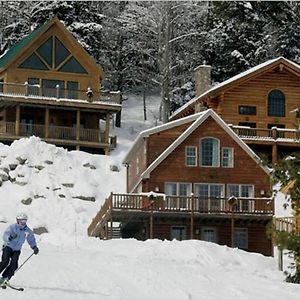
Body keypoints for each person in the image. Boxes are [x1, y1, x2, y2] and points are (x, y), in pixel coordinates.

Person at [0, 213, 39, 286]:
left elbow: (31, 239)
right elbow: (5, 234)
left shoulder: (27, 231)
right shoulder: (12, 227)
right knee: (5, 261)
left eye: (24, 221)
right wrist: (10, 237)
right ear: (17, 220)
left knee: (14, 264)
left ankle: (5, 278)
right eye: (21, 221)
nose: (23, 223)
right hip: (8, 246)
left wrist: (34, 247)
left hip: (17, 250)